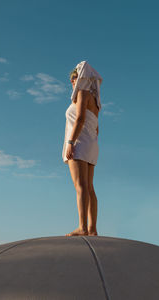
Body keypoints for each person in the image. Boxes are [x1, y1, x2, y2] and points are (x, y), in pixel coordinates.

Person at [62, 61, 103, 236]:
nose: (72, 81)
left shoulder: (81, 94)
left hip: (79, 143)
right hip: (91, 144)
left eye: (75, 78)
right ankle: (92, 228)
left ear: (82, 79)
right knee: (89, 187)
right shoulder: (95, 100)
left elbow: (79, 119)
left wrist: (70, 143)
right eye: (72, 79)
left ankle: (82, 227)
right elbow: (96, 128)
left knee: (80, 186)